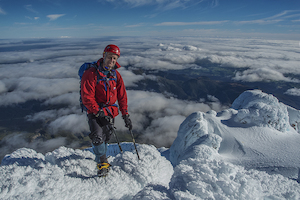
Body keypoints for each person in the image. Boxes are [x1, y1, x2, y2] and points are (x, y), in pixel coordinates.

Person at [80, 44, 132, 177]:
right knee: (97, 136)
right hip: (94, 110)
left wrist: (125, 114)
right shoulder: (91, 73)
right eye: (110, 57)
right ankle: (102, 162)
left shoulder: (115, 75)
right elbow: (87, 96)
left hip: (109, 111)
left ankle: (102, 156)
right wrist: (97, 112)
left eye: (115, 58)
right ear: (104, 56)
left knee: (107, 136)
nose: (112, 60)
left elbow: (122, 96)